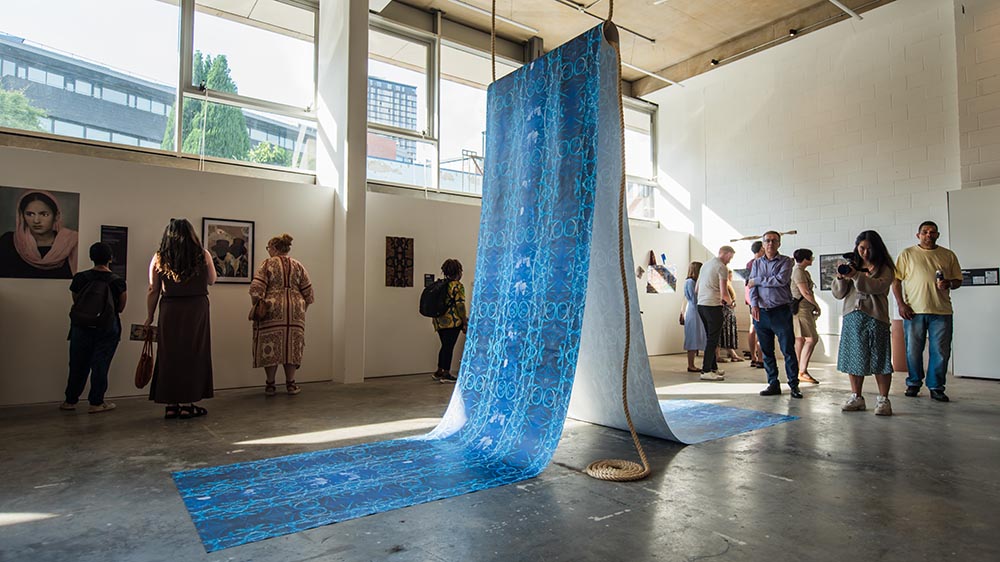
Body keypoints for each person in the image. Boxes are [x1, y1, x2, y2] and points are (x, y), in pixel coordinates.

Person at [145, 218, 216, 419]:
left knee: (169, 355)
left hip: (170, 309)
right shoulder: (203, 255)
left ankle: (171, 404)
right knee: (194, 353)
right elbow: (212, 280)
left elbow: (153, 289)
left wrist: (149, 316)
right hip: (196, 309)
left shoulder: (159, 257)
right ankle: (187, 403)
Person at [892, 221, 962, 402]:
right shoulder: (907, 254)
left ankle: (936, 386)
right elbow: (896, 281)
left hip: (942, 311)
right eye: (924, 232)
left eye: (932, 232)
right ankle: (914, 383)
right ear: (918, 235)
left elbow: (958, 280)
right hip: (913, 311)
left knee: (940, 351)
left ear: (938, 235)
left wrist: (949, 283)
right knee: (913, 350)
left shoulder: (948, 255)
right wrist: (901, 304)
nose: (928, 235)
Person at [59, 242, 127, 414]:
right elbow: (121, 307)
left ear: (91, 257)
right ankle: (96, 402)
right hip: (107, 327)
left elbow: (76, 300)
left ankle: (70, 401)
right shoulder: (117, 281)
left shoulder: (80, 278)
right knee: (101, 364)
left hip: (81, 325)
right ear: (110, 258)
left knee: (77, 363)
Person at [833, 231, 896, 415]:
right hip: (852, 317)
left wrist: (856, 276)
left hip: (876, 317)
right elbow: (838, 294)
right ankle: (856, 396)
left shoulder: (885, 268)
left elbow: (877, 287)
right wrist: (840, 277)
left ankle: (884, 400)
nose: (865, 253)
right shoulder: (853, 265)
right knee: (854, 357)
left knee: (880, 358)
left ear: (877, 248)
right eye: (861, 248)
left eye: (869, 248)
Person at [249, 233, 315, 396]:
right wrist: (300, 308)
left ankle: (270, 385)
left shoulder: (267, 264)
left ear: (275, 248)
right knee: (291, 346)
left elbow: (256, 290)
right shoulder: (298, 265)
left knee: (270, 344)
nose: (268, 251)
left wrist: (257, 306)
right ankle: (291, 384)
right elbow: (309, 294)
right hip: (295, 310)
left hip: (272, 309)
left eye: (268, 248)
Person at [748, 231, 802, 398]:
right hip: (761, 313)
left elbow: (781, 280)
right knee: (767, 351)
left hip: (780, 312)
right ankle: (773, 383)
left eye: (774, 241)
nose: (770, 243)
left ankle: (794, 385)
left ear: (779, 244)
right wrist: (754, 305)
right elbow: (752, 288)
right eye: (767, 241)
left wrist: (757, 280)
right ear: (763, 244)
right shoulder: (756, 264)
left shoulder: (786, 261)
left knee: (788, 350)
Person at [0, 190, 78, 278]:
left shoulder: (71, 242)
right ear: (22, 216)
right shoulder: (8, 241)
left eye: (44, 214)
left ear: (57, 216)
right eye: (30, 214)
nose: (36, 220)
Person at [696, 246, 735, 381]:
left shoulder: (705, 265)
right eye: (730, 257)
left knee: (710, 338)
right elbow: (724, 293)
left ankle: (713, 368)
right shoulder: (721, 267)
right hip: (713, 306)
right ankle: (706, 370)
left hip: (701, 305)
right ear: (725, 254)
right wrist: (731, 303)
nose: (729, 261)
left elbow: (696, 289)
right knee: (713, 340)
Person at [431, 258, 468, 384]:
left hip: (439, 321)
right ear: (458, 271)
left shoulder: (441, 284)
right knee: (448, 347)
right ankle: (446, 373)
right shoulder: (457, 286)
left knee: (445, 346)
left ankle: (439, 370)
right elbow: (460, 305)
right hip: (452, 321)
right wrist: (464, 321)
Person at [791, 249, 821, 384]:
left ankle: (798, 369)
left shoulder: (801, 271)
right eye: (810, 257)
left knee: (800, 339)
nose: (812, 259)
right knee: (812, 338)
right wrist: (816, 305)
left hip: (802, 308)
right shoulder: (798, 271)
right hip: (802, 308)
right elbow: (805, 292)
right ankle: (802, 370)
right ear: (806, 259)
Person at [681, 261, 706, 373]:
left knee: (695, 337)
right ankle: (691, 365)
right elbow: (694, 299)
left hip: (694, 311)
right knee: (692, 338)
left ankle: (692, 364)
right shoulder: (690, 282)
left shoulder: (690, 281)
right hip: (693, 311)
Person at [745, 241, 765, 368]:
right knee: (760, 328)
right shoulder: (759, 263)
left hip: (750, 299)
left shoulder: (748, 264)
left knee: (753, 326)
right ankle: (761, 358)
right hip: (759, 300)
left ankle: (754, 356)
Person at [718, 269, 743, 363]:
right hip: (725, 311)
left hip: (729, 311)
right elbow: (724, 297)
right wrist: (731, 303)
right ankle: (718, 355)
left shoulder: (728, 284)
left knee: (728, 334)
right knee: (723, 333)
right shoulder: (723, 285)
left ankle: (733, 354)